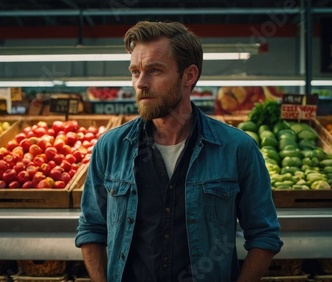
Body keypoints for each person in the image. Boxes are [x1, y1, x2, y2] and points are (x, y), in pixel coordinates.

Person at [75, 20, 283, 282]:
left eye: (155, 71)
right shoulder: (111, 147)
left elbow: (264, 235)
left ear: (189, 75)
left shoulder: (237, 149)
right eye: (135, 71)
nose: (140, 83)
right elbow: (91, 228)